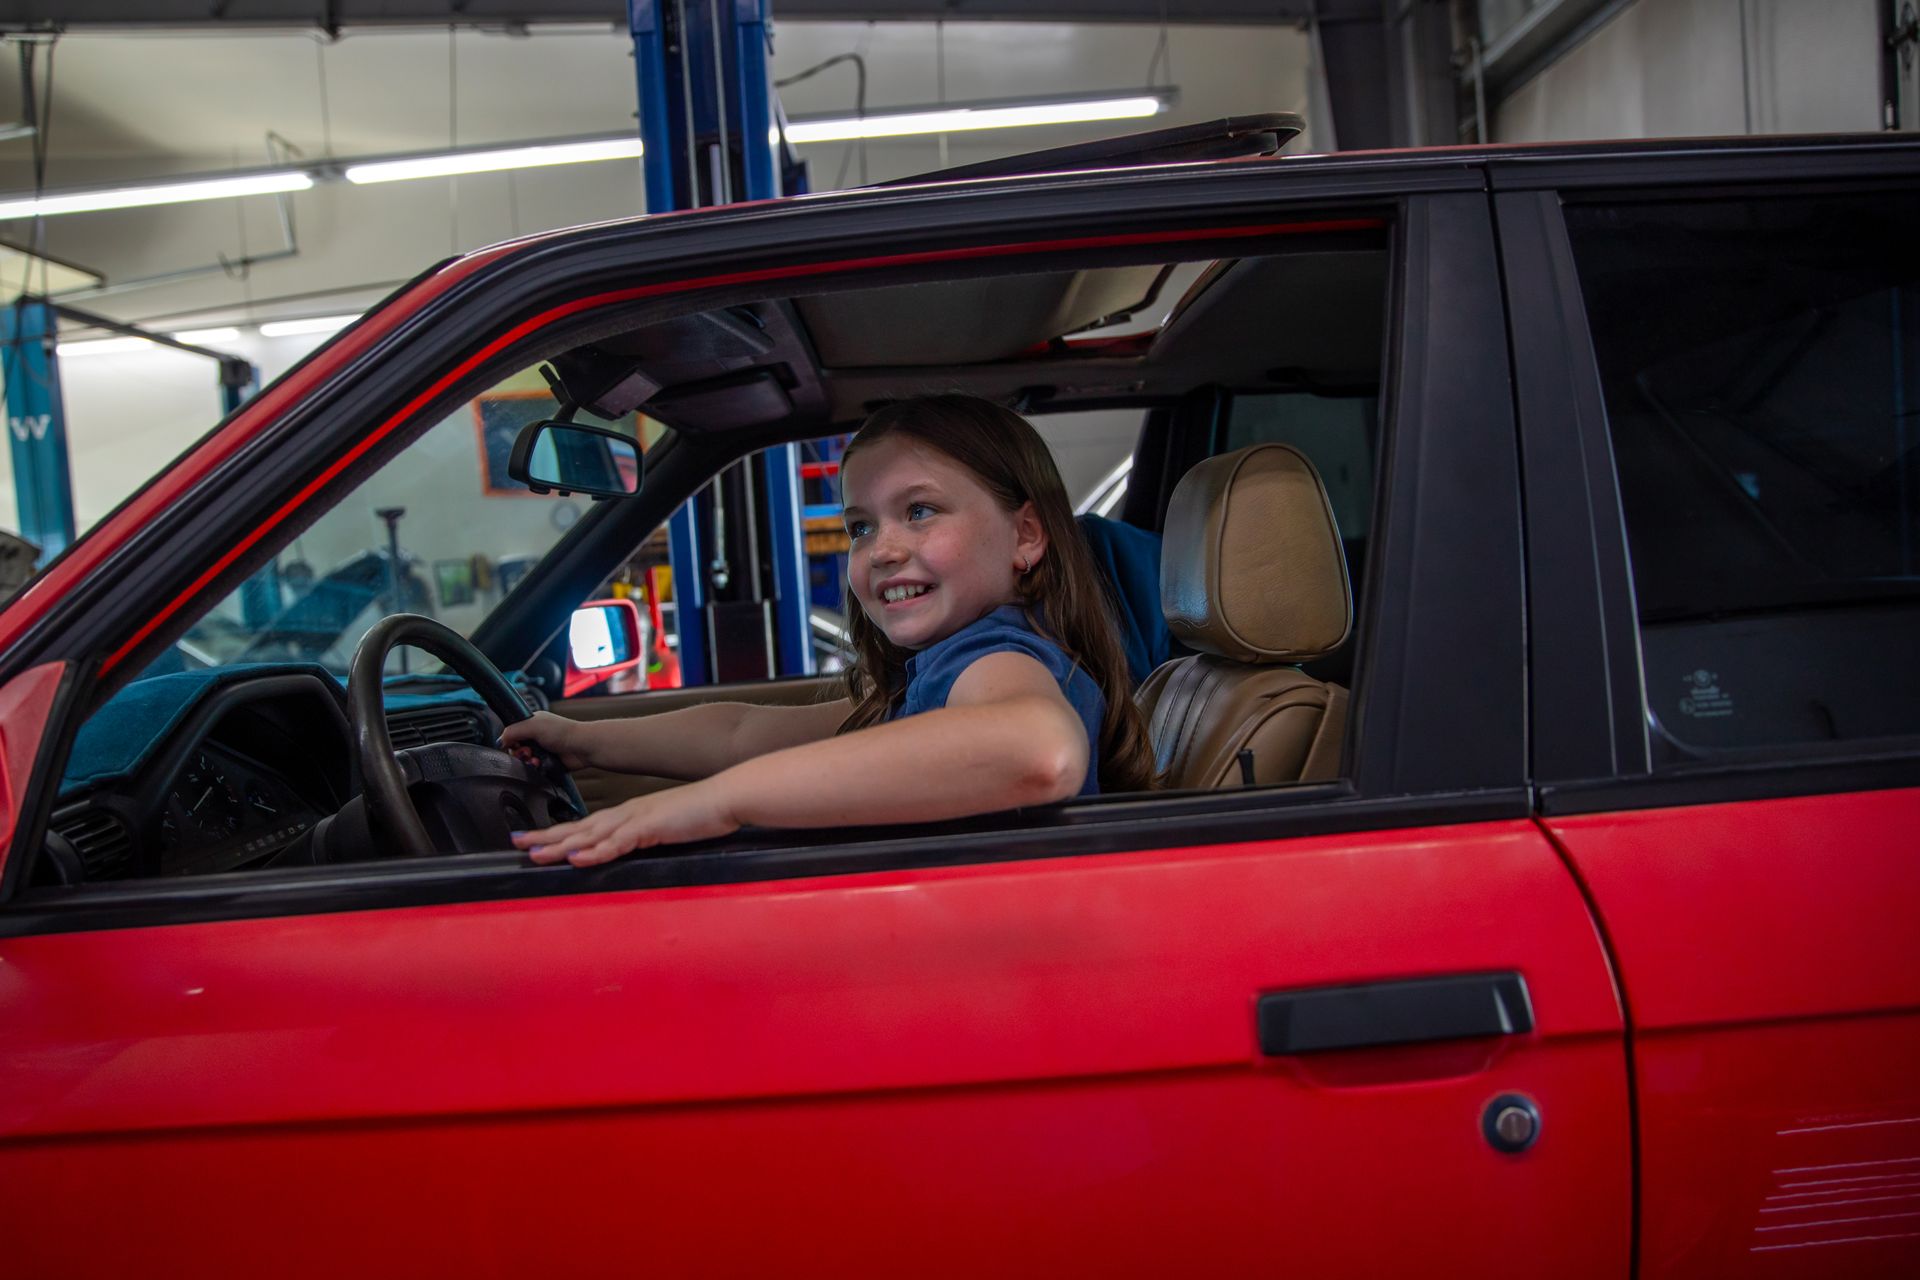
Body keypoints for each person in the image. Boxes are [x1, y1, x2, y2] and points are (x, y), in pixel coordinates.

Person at [503, 394, 1156, 867]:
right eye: (861, 527)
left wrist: (719, 805)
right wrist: (583, 742)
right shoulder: (934, 674)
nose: (884, 549)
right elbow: (741, 735)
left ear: (1026, 534)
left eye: (920, 510)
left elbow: (1039, 750)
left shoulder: (996, 655)